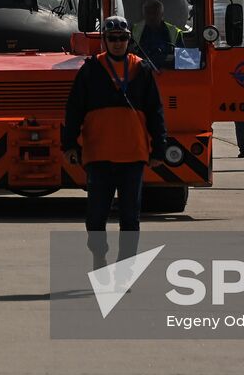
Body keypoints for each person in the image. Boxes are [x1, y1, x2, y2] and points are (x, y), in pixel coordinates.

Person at [63, 15, 168, 271]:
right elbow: (74, 109)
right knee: (95, 218)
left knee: (130, 219)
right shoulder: (90, 70)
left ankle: (125, 267)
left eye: (122, 38)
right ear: (105, 41)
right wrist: (69, 145)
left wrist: (159, 148)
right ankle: (99, 256)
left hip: (133, 156)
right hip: (98, 156)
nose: (118, 43)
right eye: (112, 38)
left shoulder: (141, 69)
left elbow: (156, 111)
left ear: (129, 40)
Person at [133, 0, 182, 70]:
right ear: (143, 14)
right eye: (148, 13)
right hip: (141, 72)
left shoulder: (174, 32)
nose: (151, 17)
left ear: (162, 14)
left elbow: (182, 58)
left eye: (155, 13)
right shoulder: (134, 30)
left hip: (168, 72)